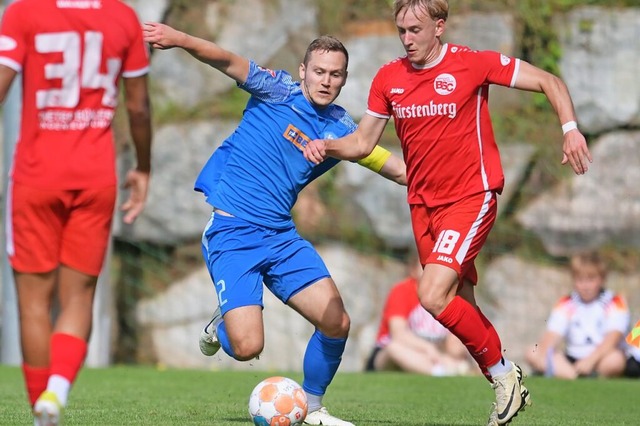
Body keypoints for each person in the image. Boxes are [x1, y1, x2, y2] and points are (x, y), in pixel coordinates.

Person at [303, 0, 593, 424]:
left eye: (415, 29)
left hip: (471, 196)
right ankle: (505, 384)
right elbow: (363, 143)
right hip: (423, 204)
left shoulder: (472, 64)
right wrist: (325, 146)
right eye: (401, 30)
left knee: (431, 294)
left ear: (439, 26)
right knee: (459, 303)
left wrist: (569, 130)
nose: (407, 38)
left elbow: (549, 80)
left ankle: (505, 375)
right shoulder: (389, 77)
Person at [143, 22, 406, 426]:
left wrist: (448, 180)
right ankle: (224, 323)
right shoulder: (276, 88)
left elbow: (392, 167)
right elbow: (226, 60)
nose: (326, 80)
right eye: (319, 71)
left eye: (335, 74)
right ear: (303, 70)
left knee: (336, 322)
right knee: (247, 347)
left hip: (281, 237)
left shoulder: (343, 130)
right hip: (232, 233)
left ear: (344, 80)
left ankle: (314, 408)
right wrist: (178, 39)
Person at [0, 1, 152, 425]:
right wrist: (142, 166)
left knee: (33, 303)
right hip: (95, 176)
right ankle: (58, 391)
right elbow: (138, 108)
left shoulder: (24, 12)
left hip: (35, 177)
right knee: (78, 297)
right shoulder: (122, 17)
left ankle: (39, 411)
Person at [525, 252, 630, 379]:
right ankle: (574, 376)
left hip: (600, 358)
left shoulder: (615, 301)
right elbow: (552, 334)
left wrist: (590, 361)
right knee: (532, 352)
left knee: (616, 360)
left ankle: (582, 374)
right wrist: (542, 354)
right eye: (580, 280)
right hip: (571, 359)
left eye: (591, 280)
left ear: (602, 279)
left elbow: (613, 337)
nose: (585, 286)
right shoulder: (566, 302)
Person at [366, 255, 474, 376]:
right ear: (413, 270)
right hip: (391, 354)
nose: (432, 271)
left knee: (459, 356)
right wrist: (428, 348)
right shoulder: (402, 291)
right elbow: (399, 334)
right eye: (425, 266)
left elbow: (456, 346)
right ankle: (440, 372)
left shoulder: (451, 295)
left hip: (433, 356)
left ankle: (446, 369)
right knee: (394, 348)